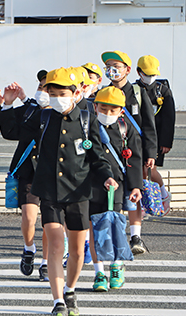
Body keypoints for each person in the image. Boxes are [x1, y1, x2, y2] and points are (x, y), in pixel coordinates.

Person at [17, 68, 117, 316]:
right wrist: (4, 107)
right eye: (52, 93)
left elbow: (98, 156)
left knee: (76, 251)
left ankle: (70, 289)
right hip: (49, 192)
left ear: (77, 93)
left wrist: (107, 177)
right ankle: (58, 300)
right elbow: (12, 130)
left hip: (79, 193)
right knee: (54, 245)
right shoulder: (43, 118)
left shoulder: (86, 119)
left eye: (61, 93)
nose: (55, 98)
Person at [0, 70, 50, 281]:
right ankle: (29, 248)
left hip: (55, 174)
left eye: (48, 88)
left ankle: (47, 263)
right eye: (41, 87)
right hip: (30, 173)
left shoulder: (67, 114)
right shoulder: (31, 112)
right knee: (29, 218)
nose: (43, 92)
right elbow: (10, 131)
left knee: (51, 223)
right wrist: (4, 105)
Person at [101, 50, 157, 255]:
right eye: (109, 67)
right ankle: (113, 235)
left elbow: (149, 125)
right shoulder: (103, 93)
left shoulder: (139, 93)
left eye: (117, 66)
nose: (112, 71)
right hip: (111, 152)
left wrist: (151, 153)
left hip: (136, 152)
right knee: (113, 194)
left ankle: (135, 236)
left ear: (128, 70)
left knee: (135, 193)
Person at [89, 87, 142, 292]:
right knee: (95, 228)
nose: (108, 114)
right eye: (104, 108)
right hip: (91, 183)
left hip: (117, 185)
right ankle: (99, 272)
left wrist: (135, 185)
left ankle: (117, 266)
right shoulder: (86, 126)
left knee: (115, 226)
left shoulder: (126, 128)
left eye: (113, 110)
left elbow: (134, 158)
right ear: (95, 107)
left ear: (121, 111)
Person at [135, 55, 175, 214]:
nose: (150, 78)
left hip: (157, 139)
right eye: (147, 74)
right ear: (139, 72)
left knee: (149, 169)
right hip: (137, 138)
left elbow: (169, 118)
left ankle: (163, 194)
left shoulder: (163, 90)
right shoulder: (134, 90)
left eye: (153, 75)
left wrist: (166, 141)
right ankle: (145, 203)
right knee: (140, 171)